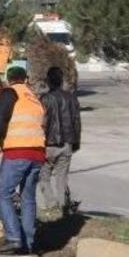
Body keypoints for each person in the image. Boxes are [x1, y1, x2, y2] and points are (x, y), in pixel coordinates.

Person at [0, 66, 46, 255]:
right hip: (37, 153)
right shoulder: (33, 98)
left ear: (8, 79)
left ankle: (14, 238)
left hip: (17, 151)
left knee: (3, 193)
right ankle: (28, 242)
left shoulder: (9, 92)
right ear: (26, 79)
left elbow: (0, 118)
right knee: (28, 197)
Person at [38, 66, 82, 214]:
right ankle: (63, 206)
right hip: (67, 143)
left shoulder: (45, 99)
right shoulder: (71, 98)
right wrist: (75, 143)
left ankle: (51, 204)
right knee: (62, 178)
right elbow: (76, 121)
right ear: (62, 80)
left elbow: (41, 123)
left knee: (44, 176)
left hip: (48, 144)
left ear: (48, 81)